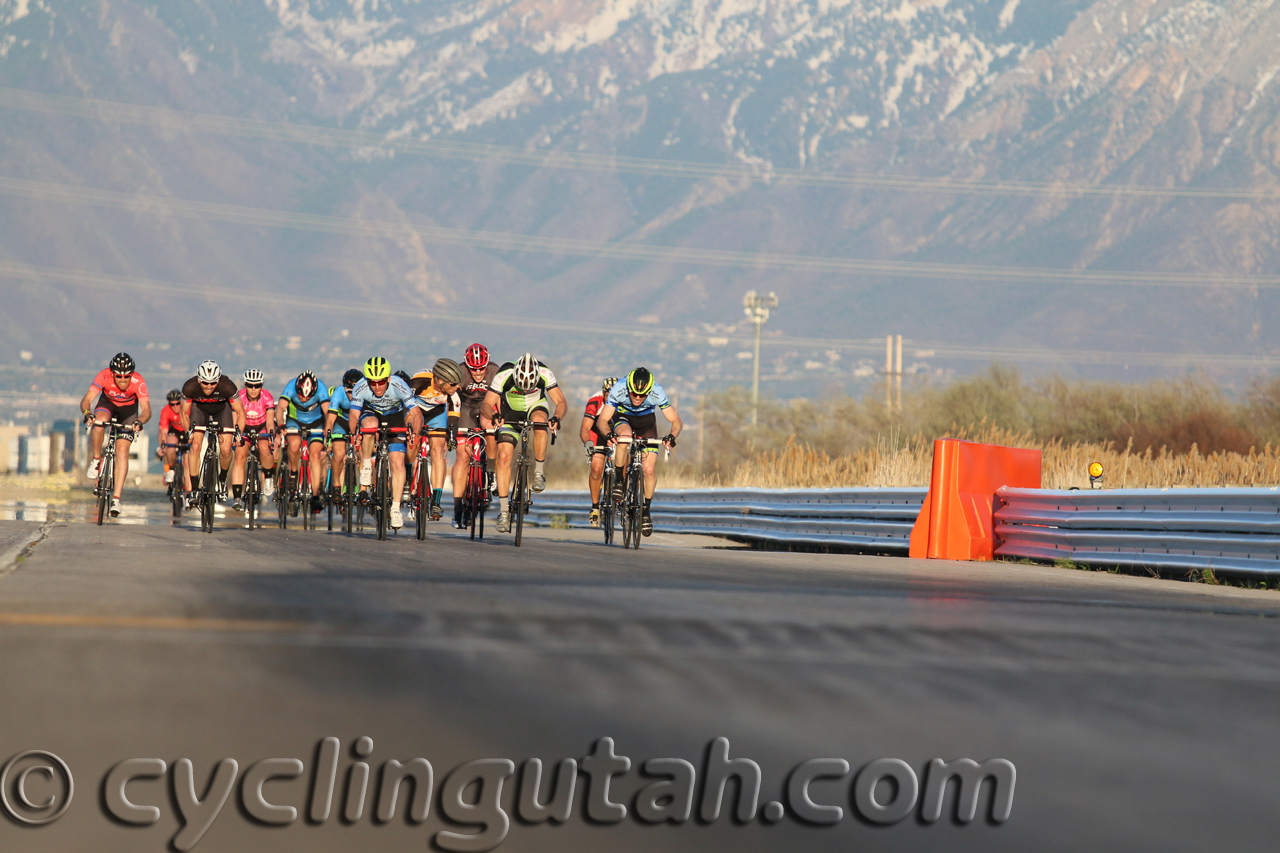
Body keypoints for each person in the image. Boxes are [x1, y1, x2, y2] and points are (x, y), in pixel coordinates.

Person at [481, 353, 568, 534]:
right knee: (504, 457)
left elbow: (560, 401)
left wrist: (557, 418)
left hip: (536, 408)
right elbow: (486, 405)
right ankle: (504, 512)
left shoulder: (545, 373)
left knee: (540, 423)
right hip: (510, 413)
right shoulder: (503, 375)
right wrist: (494, 416)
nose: (525, 389)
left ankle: (538, 473)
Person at [596, 367, 682, 536]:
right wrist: (608, 433)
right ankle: (619, 481)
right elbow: (602, 420)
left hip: (646, 421)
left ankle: (645, 511)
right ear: (628, 388)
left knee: (649, 470)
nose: (637, 398)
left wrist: (672, 436)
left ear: (649, 391)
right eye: (634, 394)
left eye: (642, 395)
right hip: (623, 417)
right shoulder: (619, 388)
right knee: (624, 437)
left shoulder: (657, 391)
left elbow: (676, 420)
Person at [348, 357, 422, 531]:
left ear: (388, 378)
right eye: (373, 383)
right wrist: (354, 434)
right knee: (369, 426)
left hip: (395, 416)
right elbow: (353, 415)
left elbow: (416, 413)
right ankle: (367, 466)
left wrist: (415, 434)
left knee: (397, 462)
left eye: (381, 382)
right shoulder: (361, 386)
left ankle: (395, 509)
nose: (377, 386)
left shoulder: (399, 385)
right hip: (371, 413)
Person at [79, 352, 150, 517]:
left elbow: (146, 410)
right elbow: (87, 399)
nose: (123, 380)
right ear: (112, 374)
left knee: (122, 451)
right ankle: (97, 459)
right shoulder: (104, 376)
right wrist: (87, 413)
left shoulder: (138, 381)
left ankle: (116, 499)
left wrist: (139, 421)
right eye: (119, 376)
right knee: (98, 422)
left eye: (127, 376)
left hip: (129, 412)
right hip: (107, 405)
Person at [181, 361, 247, 507]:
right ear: (199, 380)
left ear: (218, 380)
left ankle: (222, 479)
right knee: (196, 446)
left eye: (213, 383)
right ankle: (194, 489)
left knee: (225, 449)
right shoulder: (190, 386)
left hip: (221, 409)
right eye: (205, 383)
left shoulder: (227, 386)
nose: (209, 387)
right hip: (200, 409)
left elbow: (241, 413)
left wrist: (238, 434)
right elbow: (184, 413)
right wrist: (188, 432)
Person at [409, 359, 462, 522]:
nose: (457, 387)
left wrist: (451, 436)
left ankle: (436, 500)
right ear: (440, 381)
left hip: (436, 414)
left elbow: (453, 419)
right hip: (415, 409)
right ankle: (407, 481)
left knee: (438, 449)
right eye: (453, 384)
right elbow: (403, 404)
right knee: (412, 440)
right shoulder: (420, 381)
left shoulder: (453, 394)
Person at [276, 370, 331, 514]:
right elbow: (280, 407)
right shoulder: (291, 386)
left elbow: (327, 411)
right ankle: (294, 473)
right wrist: (281, 425)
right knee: (294, 445)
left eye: (308, 396)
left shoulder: (321, 388)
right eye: (301, 395)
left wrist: (328, 428)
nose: (304, 399)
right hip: (295, 422)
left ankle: (315, 495)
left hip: (316, 424)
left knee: (315, 455)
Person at [454, 343, 500, 508]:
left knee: (489, 427)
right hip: (466, 408)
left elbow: (499, 398)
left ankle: (491, 471)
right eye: (474, 369)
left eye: (481, 368)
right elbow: (452, 399)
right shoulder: (460, 372)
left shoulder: (495, 371)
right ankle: (458, 506)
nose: (479, 372)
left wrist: (499, 418)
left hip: (487, 407)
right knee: (462, 456)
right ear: (467, 366)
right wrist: (451, 425)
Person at [232, 369, 277, 509]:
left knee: (264, 449)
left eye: (257, 385)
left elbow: (270, 421)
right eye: (250, 385)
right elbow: (235, 419)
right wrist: (236, 435)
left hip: (261, 428)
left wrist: (270, 435)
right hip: (244, 428)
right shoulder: (239, 397)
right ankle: (237, 497)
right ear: (245, 385)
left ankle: (268, 476)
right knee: (240, 456)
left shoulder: (267, 397)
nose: (253, 389)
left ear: (261, 386)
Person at [580, 376, 618, 527]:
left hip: (617, 432)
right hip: (598, 434)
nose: (611, 397)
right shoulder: (595, 401)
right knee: (596, 469)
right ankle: (595, 507)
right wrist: (588, 443)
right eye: (608, 394)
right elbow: (585, 428)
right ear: (603, 392)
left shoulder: (624, 402)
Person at [324, 368, 362, 501]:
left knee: (364, 452)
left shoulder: (366, 393)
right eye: (350, 392)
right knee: (339, 453)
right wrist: (328, 435)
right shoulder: (338, 393)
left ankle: (364, 488)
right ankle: (336, 485)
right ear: (345, 388)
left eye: (356, 391)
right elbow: (330, 419)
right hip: (342, 422)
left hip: (358, 422)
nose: (353, 396)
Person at [157, 389, 191, 496]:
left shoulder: (188, 408)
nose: (175, 407)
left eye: (178, 403)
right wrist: (163, 446)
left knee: (187, 462)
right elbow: (163, 431)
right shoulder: (166, 411)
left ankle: (189, 491)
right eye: (172, 404)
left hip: (187, 431)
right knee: (170, 447)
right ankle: (170, 470)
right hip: (174, 431)